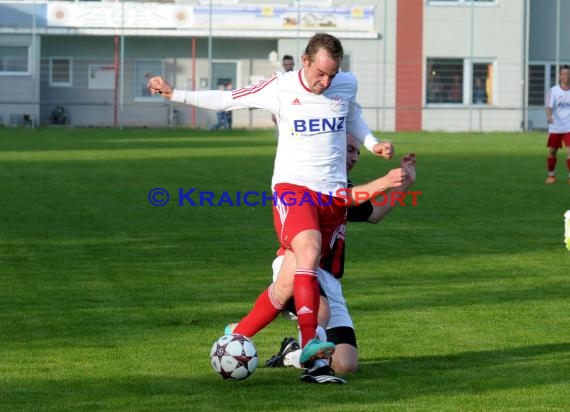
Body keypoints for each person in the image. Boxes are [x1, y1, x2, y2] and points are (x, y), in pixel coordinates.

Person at [148, 32, 394, 373]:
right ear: (305, 61)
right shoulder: (280, 86)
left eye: (332, 75)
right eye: (320, 73)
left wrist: (372, 143)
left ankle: (243, 333)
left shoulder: (345, 85)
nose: (326, 82)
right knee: (308, 250)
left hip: (332, 194)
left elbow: (352, 116)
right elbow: (227, 98)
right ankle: (309, 342)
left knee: (297, 272)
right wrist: (175, 93)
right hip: (293, 188)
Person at [266, 135, 417, 382]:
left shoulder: (345, 185)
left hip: (330, 279)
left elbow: (375, 213)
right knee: (320, 310)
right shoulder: (314, 182)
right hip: (298, 267)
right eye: (349, 150)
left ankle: (292, 352)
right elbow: (345, 197)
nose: (355, 157)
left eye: (357, 152)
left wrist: (405, 184)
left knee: (346, 364)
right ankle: (316, 370)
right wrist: (386, 181)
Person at [545, 64, 570, 184]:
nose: (566, 76)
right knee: (552, 152)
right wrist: (549, 116)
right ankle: (551, 175)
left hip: (569, 127)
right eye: (564, 74)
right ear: (560, 76)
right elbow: (549, 106)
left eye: (568, 74)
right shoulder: (553, 91)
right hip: (555, 127)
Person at [272, 55, 295, 126]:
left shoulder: (297, 78)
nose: (288, 67)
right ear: (283, 65)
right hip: (282, 112)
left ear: (293, 64)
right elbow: (276, 96)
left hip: (295, 110)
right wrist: (273, 112)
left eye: (290, 64)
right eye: (286, 65)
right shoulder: (279, 79)